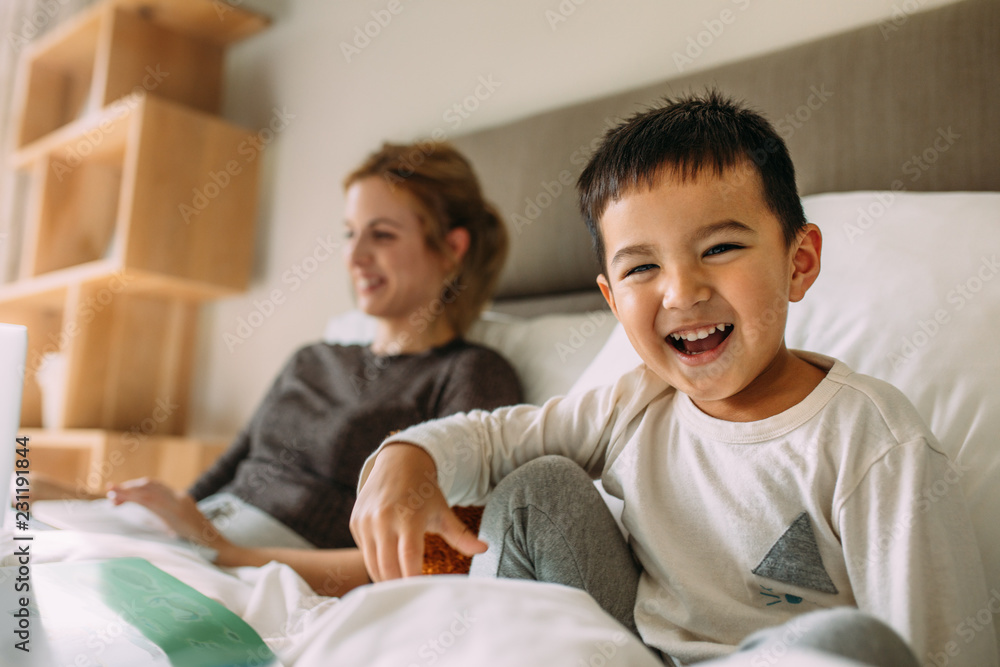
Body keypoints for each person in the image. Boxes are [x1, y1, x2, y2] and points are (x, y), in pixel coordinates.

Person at [349, 93, 998, 666]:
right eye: (641, 269)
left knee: (858, 644)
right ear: (610, 297)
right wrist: (407, 454)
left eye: (719, 247)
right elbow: (493, 441)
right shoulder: (637, 400)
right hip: (631, 654)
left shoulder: (870, 441)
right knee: (536, 489)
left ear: (799, 263)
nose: (682, 292)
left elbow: (935, 650)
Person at [108, 141, 522, 596]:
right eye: (350, 233)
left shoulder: (471, 373)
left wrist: (225, 552)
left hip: (261, 571)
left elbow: (441, 557)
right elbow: (210, 485)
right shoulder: (312, 358)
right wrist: (116, 504)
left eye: (381, 235)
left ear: (450, 248)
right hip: (195, 539)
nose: (355, 255)